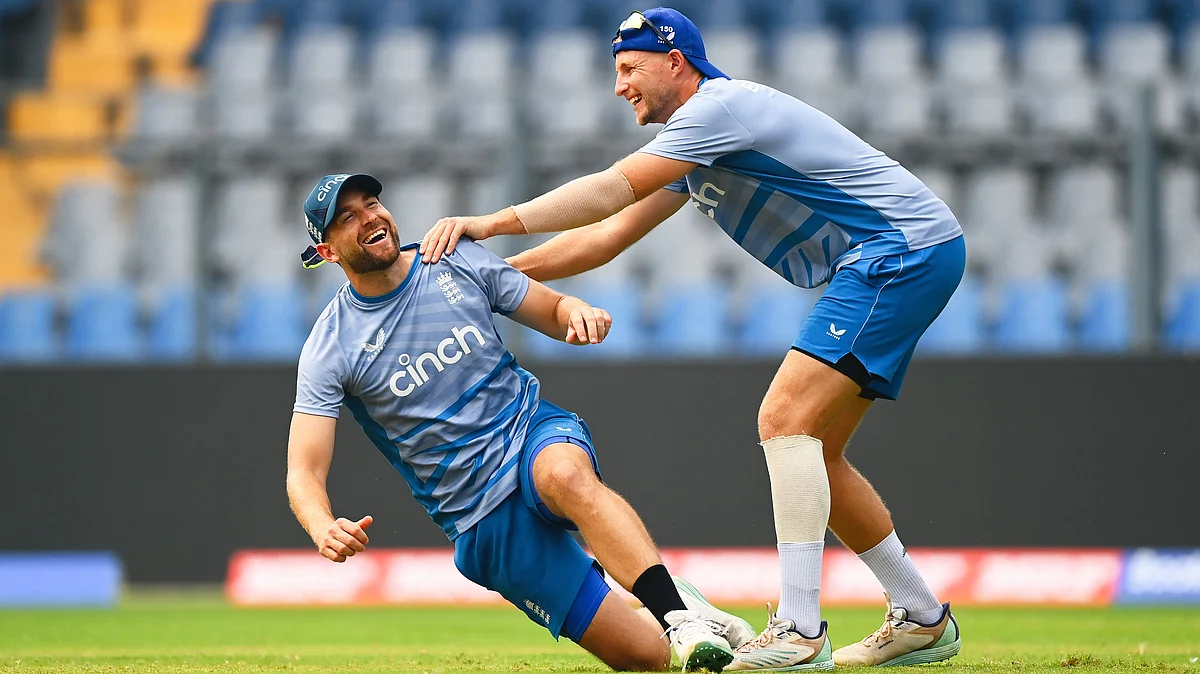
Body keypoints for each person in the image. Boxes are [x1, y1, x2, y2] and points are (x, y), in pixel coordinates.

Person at [419, 7, 964, 671]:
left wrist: (490, 224)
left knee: (782, 418)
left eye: (629, 68)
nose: (619, 86)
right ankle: (921, 615)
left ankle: (798, 631)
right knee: (813, 449)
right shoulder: (701, 136)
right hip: (910, 250)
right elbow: (605, 237)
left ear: (675, 61)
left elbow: (607, 193)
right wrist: (489, 276)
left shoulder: (717, 110)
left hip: (896, 251)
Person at [286, 173, 755, 672]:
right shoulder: (329, 347)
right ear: (329, 251)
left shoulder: (451, 258)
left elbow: (551, 307)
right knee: (646, 658)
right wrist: (321, 526)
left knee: (564, 475)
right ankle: (672, 603)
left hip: (530, 432)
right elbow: (303, 471)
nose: (370, 218)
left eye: (372, 203)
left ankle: (677, 613)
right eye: (347, 218)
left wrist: (576, 312)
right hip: (478, 516)